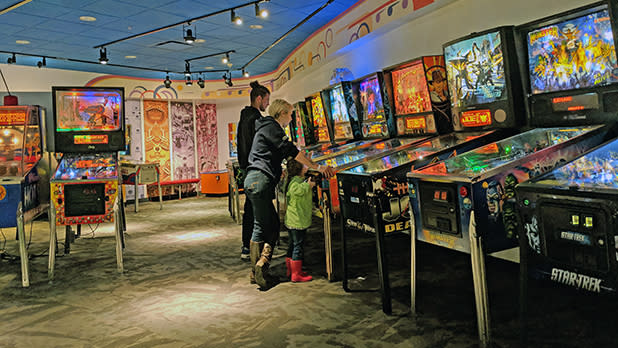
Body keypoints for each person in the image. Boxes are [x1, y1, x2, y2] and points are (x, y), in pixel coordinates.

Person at [244, 99, 334, 289]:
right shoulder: (272, 127)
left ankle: (257, 269)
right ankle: (259, 267)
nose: (292, 118)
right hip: (260, 180)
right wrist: (317, 166)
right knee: (263, 226)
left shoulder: (264, 127)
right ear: (281, 113)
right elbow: (293, 151)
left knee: (267, 224)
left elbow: (277, 153)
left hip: (253, 179)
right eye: (290, 114)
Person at [236, 81, 270, 260]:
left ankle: (246, 246)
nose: (268, 104)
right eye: (266, 100)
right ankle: (256, 250)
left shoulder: (244, 117)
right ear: (259, 98)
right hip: (256, 169)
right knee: (259, 211)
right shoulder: (256, 119)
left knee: (251, 209)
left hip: (246, 169)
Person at [283, 159, 314, 282]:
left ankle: (291, 270)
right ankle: (296, 274)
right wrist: (309, 185)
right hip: (297, 221)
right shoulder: (295, 184)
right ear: (300, 169)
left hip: (292, 221)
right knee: (298, 246)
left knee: (292, 245)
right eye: (304, 164)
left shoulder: (293, 180)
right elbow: (298, 191)